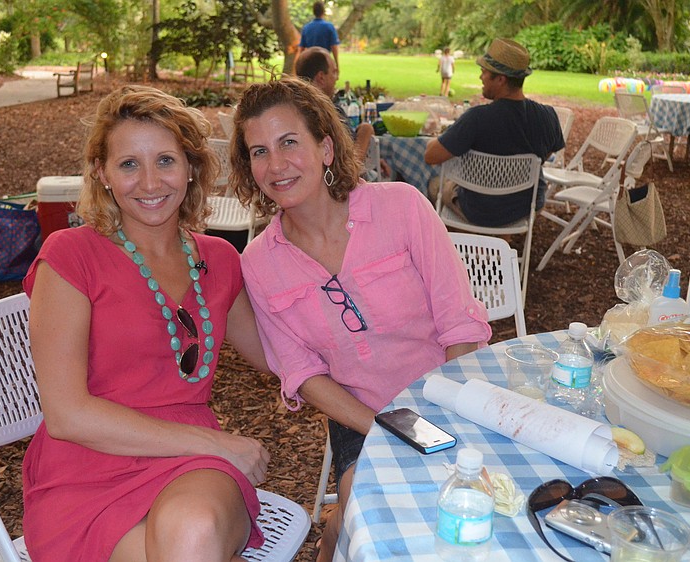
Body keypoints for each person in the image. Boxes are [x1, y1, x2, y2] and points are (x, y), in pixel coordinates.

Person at [229, 77, 493, 562]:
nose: (277, 164)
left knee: (470, 510)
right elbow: (302, 373)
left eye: (290, 142)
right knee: (366, 505)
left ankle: (333, 534)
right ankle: (334, 540)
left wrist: (441, 416)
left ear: (326, 147)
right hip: (360, 413)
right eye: (259, 151)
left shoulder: (402, 208)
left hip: (448, 397)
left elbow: (459, 324)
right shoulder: (260, 261)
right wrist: (384, 428)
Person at [22, 85, 271, 562]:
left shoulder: (219, 259)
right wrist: (221, 444)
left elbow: (275, 355)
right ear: (103, 173)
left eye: (165, 161)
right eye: (129, 164)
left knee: (194, 531)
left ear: (191, 167)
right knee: (192, 549)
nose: (150, 183)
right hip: (86, 470)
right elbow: (67, 414)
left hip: (190, 471)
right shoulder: (72, 255)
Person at [424, 38, 564, 227]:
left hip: (479, 208)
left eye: (484, 72)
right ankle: (501, 240)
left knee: (434, 185)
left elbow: (431, 156)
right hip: (527, 205)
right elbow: (545, 155)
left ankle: (470, 243)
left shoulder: (477, 118)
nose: (480, 77)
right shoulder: (548, 115)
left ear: (500, 79)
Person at [295, 46, 390, 180]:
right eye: (334, 72)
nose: (337, 78)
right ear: (321, 78)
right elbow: (349, 166)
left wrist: (373, 160)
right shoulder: (325, 113)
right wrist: (365, 132)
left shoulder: (294, 111)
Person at [299, 1, 340, 71]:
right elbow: (334, 47)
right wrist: (336, 64)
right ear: (323, 12)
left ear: (313, 12)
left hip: (310, 62)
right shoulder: (329, 27)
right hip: (325, 62)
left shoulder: (306, 28)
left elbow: (301, 49)